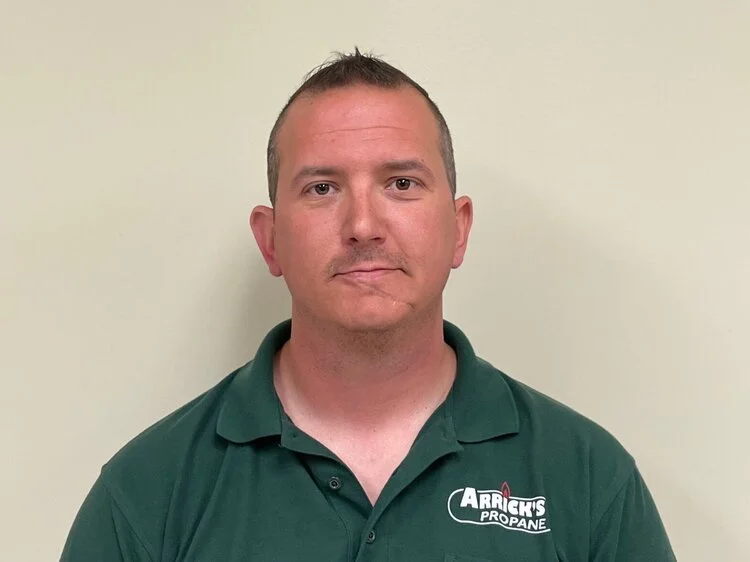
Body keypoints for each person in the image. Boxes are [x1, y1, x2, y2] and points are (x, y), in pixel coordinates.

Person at [61, 50, 676, 561]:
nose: (362, 225)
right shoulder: (147, 490)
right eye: (322, 188)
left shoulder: (588, 479)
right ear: (270, 240)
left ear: (458, 229)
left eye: (402, 183)